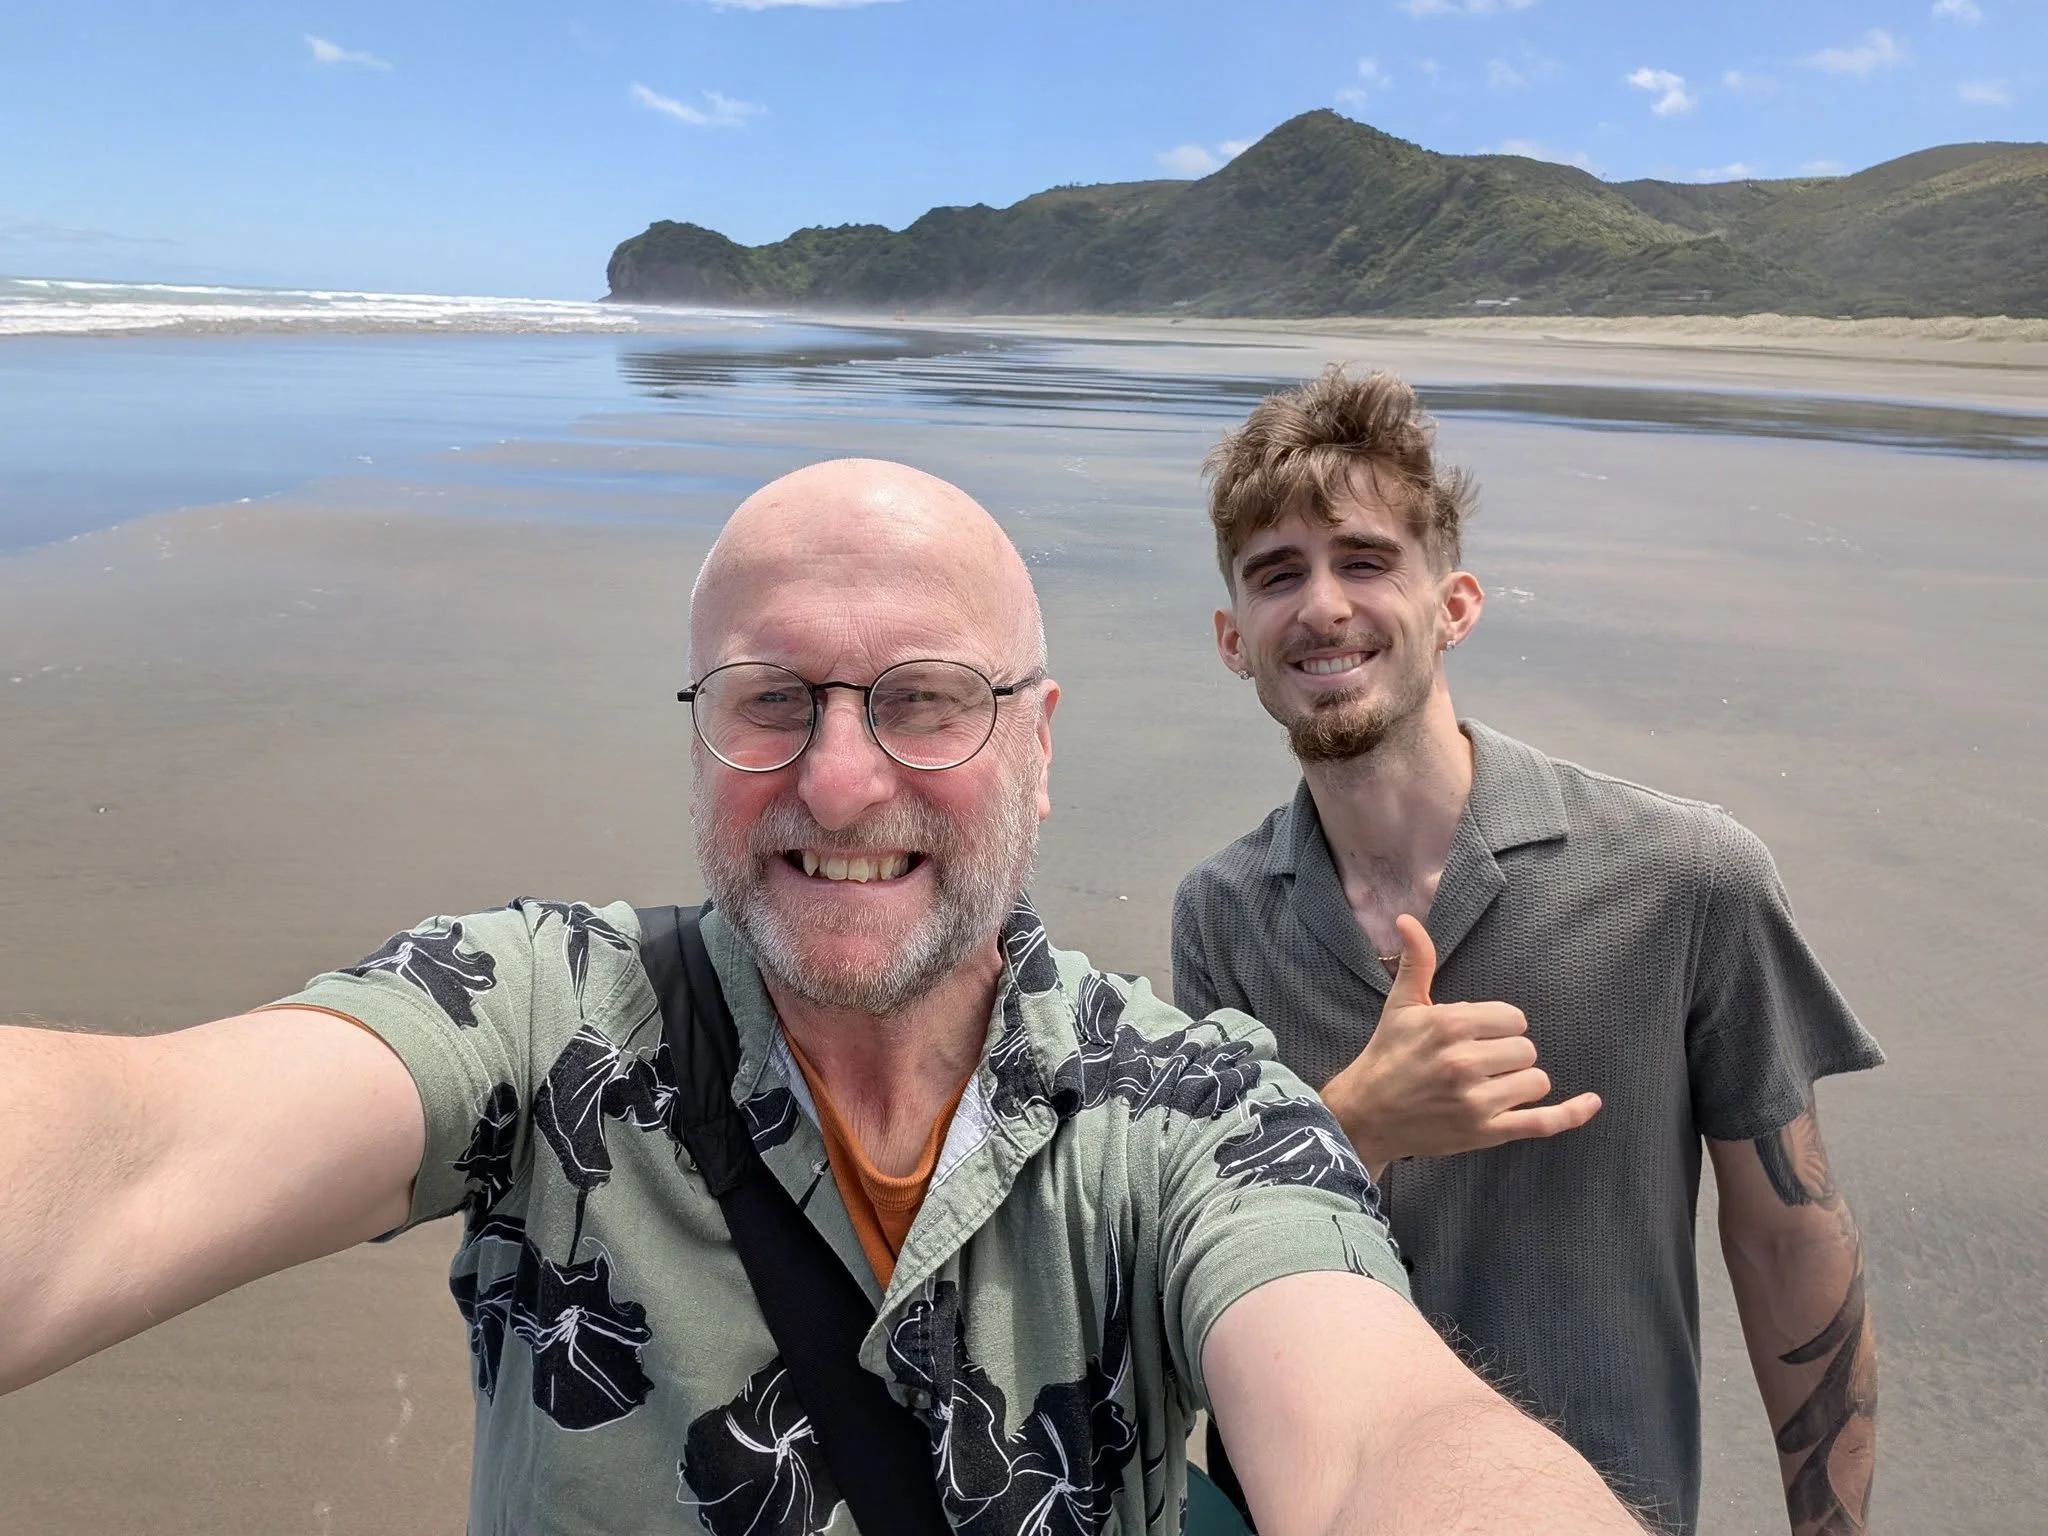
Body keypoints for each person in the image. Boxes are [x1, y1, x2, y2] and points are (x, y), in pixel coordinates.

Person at [0, 459, 1644, 1535]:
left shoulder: (1188, 1106)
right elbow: (128, 1166)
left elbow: (1379, 1439)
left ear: (1041, 742)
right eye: (769, 697)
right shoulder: (528, 1012)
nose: (840, 780)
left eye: (927, 699)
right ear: (698, 727)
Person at [1172, 370, 1885, 1536]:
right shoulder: (1223, 912)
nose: (1320, 605)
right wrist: (1356, 1125)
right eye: (1274, 574)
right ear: (1231, 639)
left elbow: (1785, 1231)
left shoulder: (1682, 875)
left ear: (1452, 605)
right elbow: (1205, 1246)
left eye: (1362, 560)